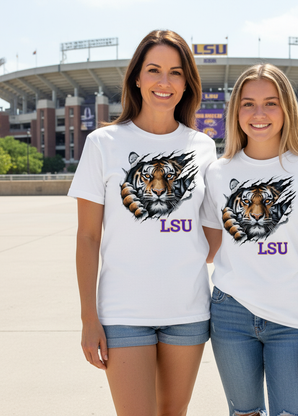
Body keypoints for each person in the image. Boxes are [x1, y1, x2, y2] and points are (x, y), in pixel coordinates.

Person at [68, 30, 217, 416]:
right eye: (154, 70)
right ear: (137, 77)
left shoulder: (203, 147)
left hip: (187, 311)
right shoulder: (103, 143)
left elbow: (213, 232)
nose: (164, 82)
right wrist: (89, 318)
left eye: (176, 72)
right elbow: (87, 237)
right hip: (123, 313)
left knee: (174, 413)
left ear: (187, 83)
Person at [201, 64, 298, 416]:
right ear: (235, 111)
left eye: (271, 103)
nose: (259, 113)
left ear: (287, 110)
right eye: (248, 104)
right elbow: (208, 250)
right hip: (230, 314)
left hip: (293, 321)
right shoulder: (219, 173)